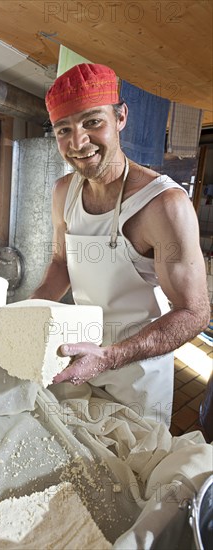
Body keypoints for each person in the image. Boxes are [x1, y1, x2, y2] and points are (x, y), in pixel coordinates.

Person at [31, 63, 210, 425]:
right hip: (80, 356)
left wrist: (110, 357)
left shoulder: (163, 205)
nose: (78, 143)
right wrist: (29, 314)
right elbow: (61, 263)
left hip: (137, 377)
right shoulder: (63, 192)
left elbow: (195, 313)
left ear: (120, 117)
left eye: (92, 122)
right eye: (63, 129)